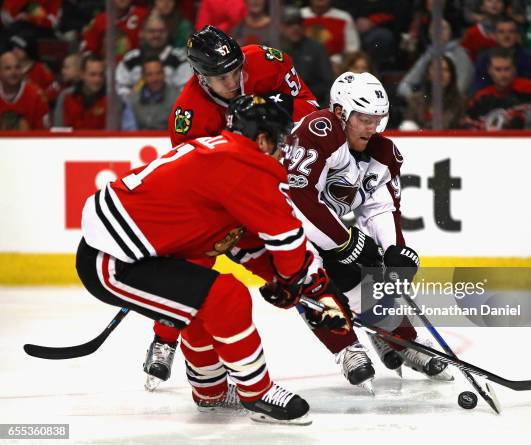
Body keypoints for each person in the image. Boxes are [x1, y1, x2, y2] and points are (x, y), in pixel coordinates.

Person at [76, 93, 351, 425]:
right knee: (225, 296)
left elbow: (247, 244)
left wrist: (307, 288)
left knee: (200, 298)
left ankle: (212, 392)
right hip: (115, 260)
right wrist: (295, 283)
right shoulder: (247, 166)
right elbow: (287, 239)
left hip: (132, 252)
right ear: (262, 139)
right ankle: (258, 393)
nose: (285, 149)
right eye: (280, 139)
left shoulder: (226, 154)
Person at [283, 71, 453, 389]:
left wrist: (392, 250)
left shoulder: (382, 153)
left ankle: (401, 341)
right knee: (308, 277)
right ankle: (346, 348)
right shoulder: (317, 131)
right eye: (363, 118)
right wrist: (346, 242)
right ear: (339, 113)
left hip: (326, 228)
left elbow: (379, 207)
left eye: (377, 118)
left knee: (366, 277)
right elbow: (298, 199)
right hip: (280, 225)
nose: (372, 126)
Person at [168, 25, 319, 146]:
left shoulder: (269, 62)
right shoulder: (189, 116)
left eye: (236, 71)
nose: (233, 83)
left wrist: (271, 111)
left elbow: (311, 108)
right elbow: (195, 172)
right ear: (202, 78)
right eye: (222, 78)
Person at [115, 13, 191, 98]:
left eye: (161, 31)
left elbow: (186, 90)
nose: (156, 35)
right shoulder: (130, 59)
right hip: (135, 108)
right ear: (142, 33)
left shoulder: (180, 59)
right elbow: (120, 87)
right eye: (151, 31)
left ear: (168, 33)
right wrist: (134, 99)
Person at [464, 47, 531, 129]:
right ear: (489, 70)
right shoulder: (481, 97)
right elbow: (468, 124)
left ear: (514, 70)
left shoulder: (528, 89)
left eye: (507, 69)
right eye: (498, 69)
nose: (503, 75)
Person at [279, 6, 333, 107]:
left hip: (311, 105)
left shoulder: (316, 49)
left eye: (299, 23)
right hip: (280, 106)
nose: (295, 27)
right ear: (281, 26)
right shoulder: (273, 49)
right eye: (290, 24)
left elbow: (327, 84)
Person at [472, 16, 531, 93]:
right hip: (490, 99)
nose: (506, 36)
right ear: (494, 35)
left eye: (511, 32)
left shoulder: (529, 59)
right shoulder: (484, 58)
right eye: (501, 32)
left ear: (517, 35)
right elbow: (481, 79)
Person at [401, 56, 466, 129]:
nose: (441, 74)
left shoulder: (460, 101)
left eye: (446, 70)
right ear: (428, 74)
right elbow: (407, 126)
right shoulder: (416, 99)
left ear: (451, 75)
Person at [121, 56, 180, 130]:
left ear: (164, 74)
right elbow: (129, 130)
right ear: (143, 77)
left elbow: (179, 131)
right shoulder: (133, 98)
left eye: (158, 73)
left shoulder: (178, 98)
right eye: (149, 74)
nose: (155, 78)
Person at [53, 54, 106, 129]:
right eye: (92, 75)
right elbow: (59, 130)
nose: (98, 80)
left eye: (101, 75)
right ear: (82, 74)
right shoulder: (66, 96)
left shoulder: (112, 100)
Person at [0, 51, 49, 130]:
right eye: (8, 68)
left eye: (17, 67)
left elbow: (43, 134)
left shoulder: (36, 95)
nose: (13, 72)